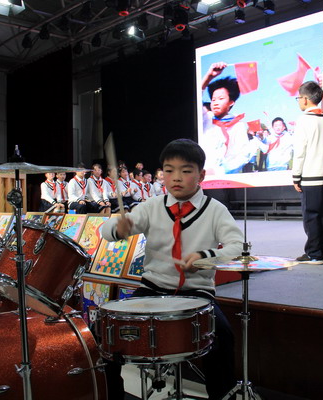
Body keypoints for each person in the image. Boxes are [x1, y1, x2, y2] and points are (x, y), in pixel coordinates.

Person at [101, 138, 243, 400]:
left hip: (197, 293)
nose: (176, 177)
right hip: (152, 290)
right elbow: (106, 231)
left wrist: (205, 257)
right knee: (103, 337)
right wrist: (117, 228)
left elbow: (238, 246)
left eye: (186, 171)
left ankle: (222, 395)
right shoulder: (151, 206)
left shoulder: (215, 210)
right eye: (169, 170)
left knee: (223, 337)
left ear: (201, 175)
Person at [292, 81, 323, 264]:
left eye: (298, 98)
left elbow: (299, 152)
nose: (298, 101)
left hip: (310, 176)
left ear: (305, 99)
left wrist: (296, 176)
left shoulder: (304, 120)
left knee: (311, 217)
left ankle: (314, 254)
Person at [201, 62, 250, 174]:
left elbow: (243, 155)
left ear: (231, 102)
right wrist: (209, 77)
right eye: (213, 99)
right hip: (202, 175)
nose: (215, 103)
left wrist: (219, 171)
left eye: (221, 99)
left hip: (224, 177)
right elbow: (194, 100)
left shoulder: (238, 126)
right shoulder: (206, 118)